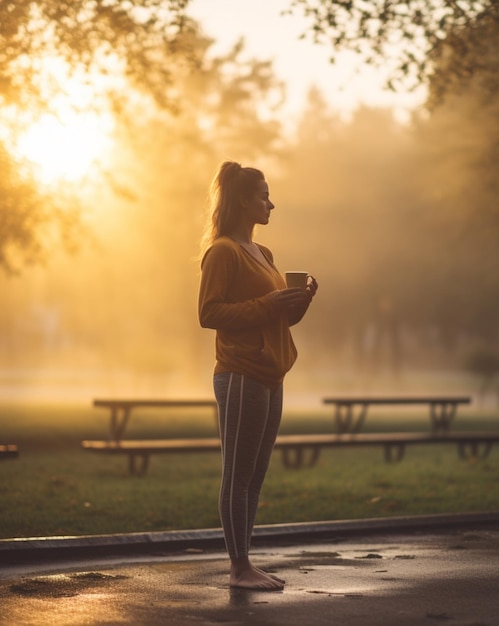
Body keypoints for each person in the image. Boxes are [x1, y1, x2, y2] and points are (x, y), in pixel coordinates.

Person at [198, 161, 318, 590]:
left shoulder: (262, 254)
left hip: (271, 372)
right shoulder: (223, 251)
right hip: (241, 373)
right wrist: (271, 305)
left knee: (257, 473)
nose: (271, 203)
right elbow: (208, 313)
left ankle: (246, 563)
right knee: (238, 473)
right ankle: (238, 567)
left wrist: (298, 302)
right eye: (264, 195)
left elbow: (277, 319)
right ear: (243, 201)